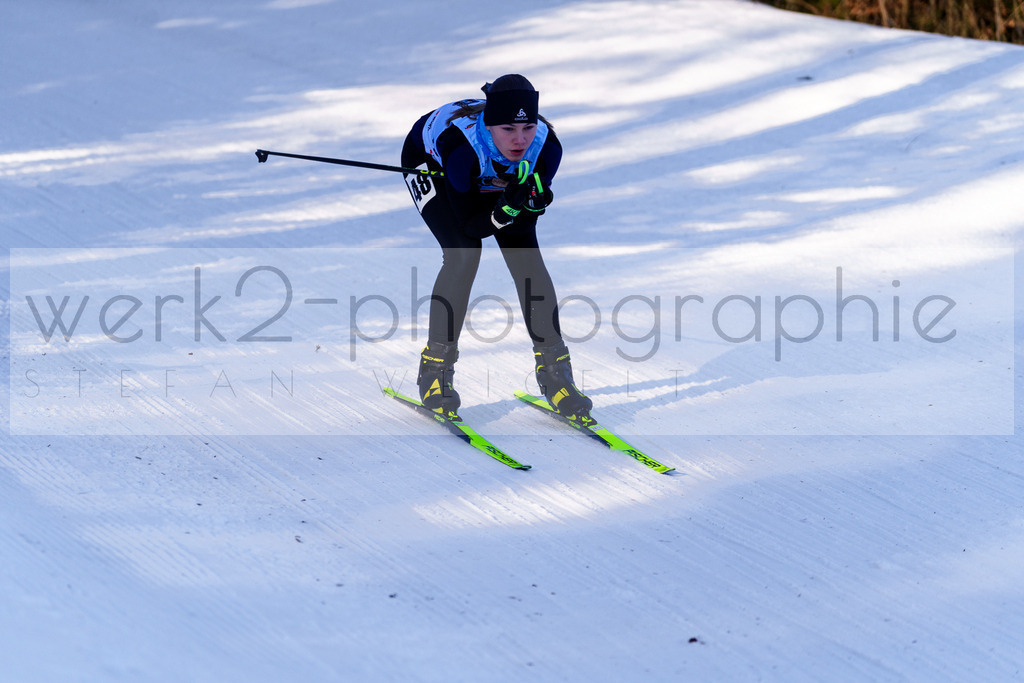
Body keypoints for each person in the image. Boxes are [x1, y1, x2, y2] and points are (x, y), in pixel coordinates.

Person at [400, 74, 592, 419]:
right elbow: (472, 225)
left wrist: (529, 204)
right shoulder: (460, 149)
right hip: (430, 160)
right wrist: (506, 207)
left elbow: (523, 225)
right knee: (464, 253)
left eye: (527, 128)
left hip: (483, 173)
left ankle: (556, 375)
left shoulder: (547, 148)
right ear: (489, 126)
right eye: (507, 129)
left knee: (525, 255)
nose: (519, 140)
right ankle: (435, 372)